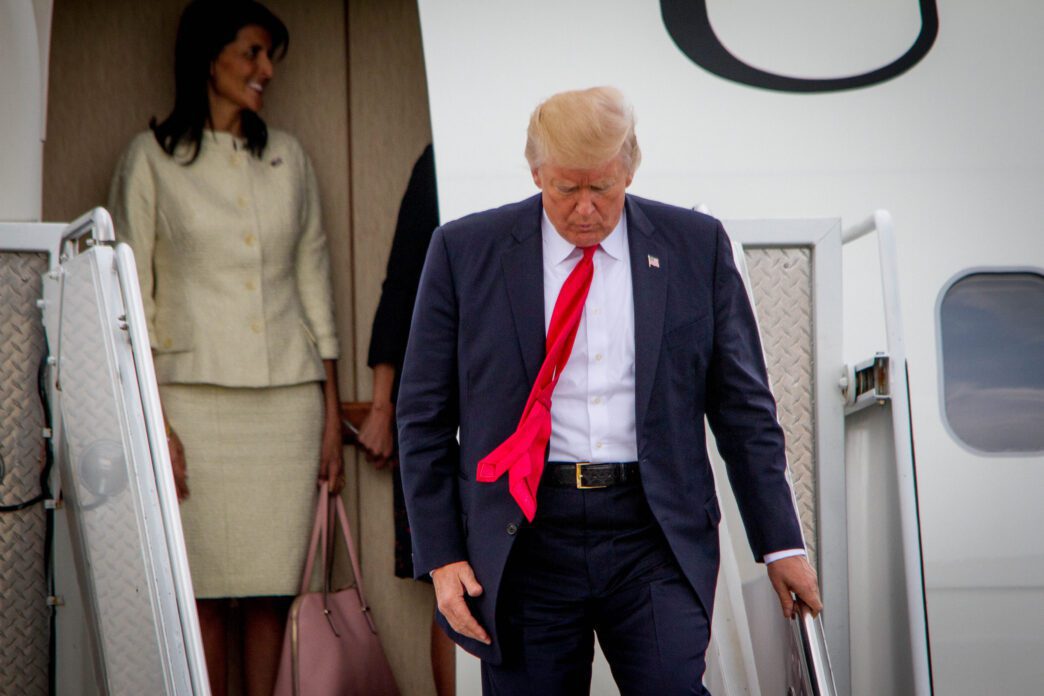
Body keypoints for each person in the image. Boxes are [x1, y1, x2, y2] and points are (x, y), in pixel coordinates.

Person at [396, 86, 822, 694]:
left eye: (603, 188)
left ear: (630, 167)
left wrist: (781, 544)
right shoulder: (466, 252)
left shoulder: (694, 247)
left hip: (653, 532)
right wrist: (442, 557)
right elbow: (423, 418)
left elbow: (744, 409)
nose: (586, 209)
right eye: (566, 189)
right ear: (535, 170)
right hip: (526, 538)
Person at [108, 3, 343, 694]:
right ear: (210, 58)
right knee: (203, 592)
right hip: (189, 405)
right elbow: (131, 302)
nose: (266, 70)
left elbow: (315, 284)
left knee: (272, 592)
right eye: (252, 53)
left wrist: (332, 412)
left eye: (270, 56)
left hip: (286, 408)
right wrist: (157, 423)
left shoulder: (288, 156)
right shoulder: (149, 159)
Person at [356, 144, 456, 695]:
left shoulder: (570, 162)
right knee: (454, 583)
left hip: (546, 422)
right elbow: (403, 283)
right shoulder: (442, 155)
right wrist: (380, 406)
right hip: (446, 407)